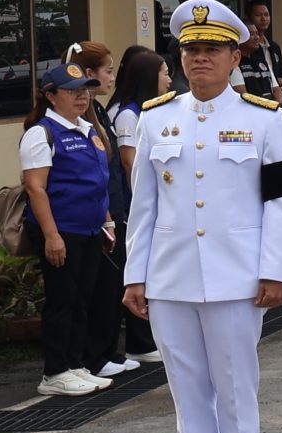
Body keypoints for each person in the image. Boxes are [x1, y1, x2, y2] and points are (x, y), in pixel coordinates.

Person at [124, 0, 282, 433]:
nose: (200, 58)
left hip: (236, 276)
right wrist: (135, 275)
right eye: (191, 49)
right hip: (171, 276)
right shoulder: (157, 118)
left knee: (235, 387)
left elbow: (280, 203)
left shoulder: (264, 118)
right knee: (186, 388)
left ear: (234, 57)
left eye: (212, 49)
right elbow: (143, 205)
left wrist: (275, 270)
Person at [19, 60, 115, 398]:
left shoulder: (87, 129)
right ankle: (55, 371)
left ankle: (75, 364)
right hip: (62, 229)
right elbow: (35, 188)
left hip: (90, 229)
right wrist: (51, 235)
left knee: (82, 298)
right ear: (50, 96)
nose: (82, 97)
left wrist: (107, 221)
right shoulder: (42, 133)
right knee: (62, 300)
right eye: (72, 91)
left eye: (85, 90)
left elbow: (98, 182)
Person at [69, 42, 142, 381]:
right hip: (96, 215)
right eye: (107, 71)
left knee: (111, 285)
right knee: (97, 289)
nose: (112, 77)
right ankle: (93, 356)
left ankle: (106, 351)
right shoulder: (80, 116)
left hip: (113, 209)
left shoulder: (96, 110)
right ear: (88, 74)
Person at [104, 47, 170, 367]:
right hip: (133, 207)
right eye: (164, 73)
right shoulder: (128, 114)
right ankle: (139, 342)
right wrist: (145, 202)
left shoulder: (153, 110)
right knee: (140, 270)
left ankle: (148, 338)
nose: (169, 79)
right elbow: (130, 163)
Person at [238, 1, 282, 102]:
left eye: (266, 15)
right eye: (258, 15)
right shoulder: (241, 56)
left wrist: (280, 84)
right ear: (247, 18)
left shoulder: (274, 47)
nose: (264, 19)